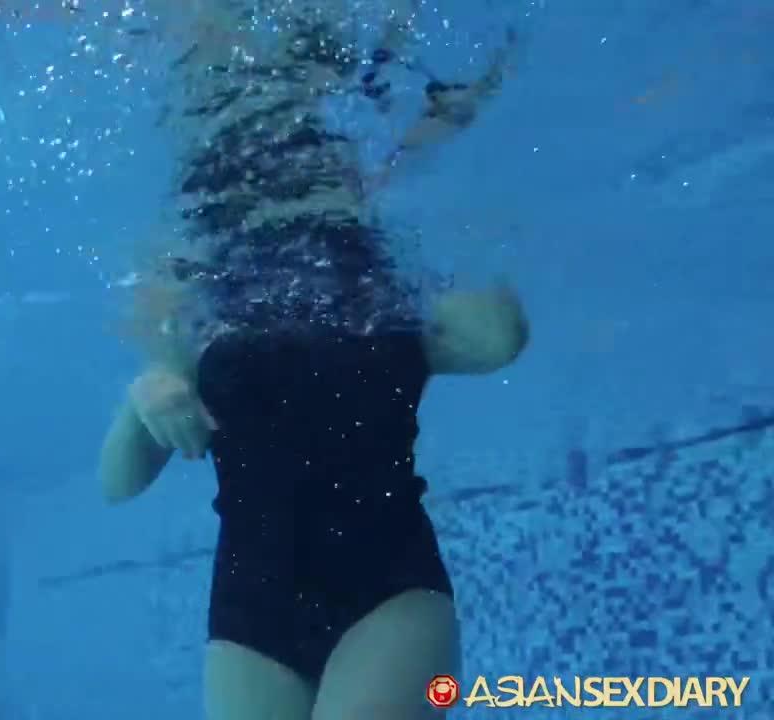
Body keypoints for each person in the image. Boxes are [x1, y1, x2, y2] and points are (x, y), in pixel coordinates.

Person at [98, 1, 528, 719]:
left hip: (389, 592)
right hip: (249, 618)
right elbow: (118, 482)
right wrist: (146, 392)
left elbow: (499, 337)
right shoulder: (189, 280)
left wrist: (415, 205)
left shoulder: (384, 263)